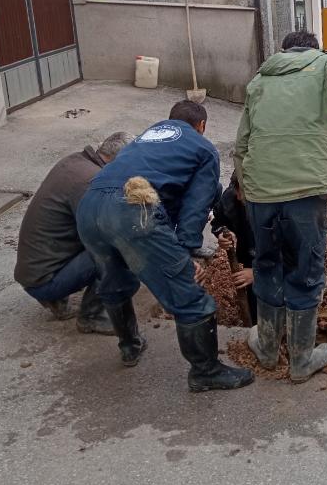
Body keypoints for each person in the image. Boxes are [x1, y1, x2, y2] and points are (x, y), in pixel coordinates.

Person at [76, 100, 253, 393]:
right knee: (190, 296)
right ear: (202, 127)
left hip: (90, 206)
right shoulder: (203, 148)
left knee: (114, 280)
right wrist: (184, 254)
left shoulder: (148, 136)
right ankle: (205, 372)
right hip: (132, 210)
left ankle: (130, 346)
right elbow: (196, 207)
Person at [235, 30, 327, 382]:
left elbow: (241, 144)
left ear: (283, 51)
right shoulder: (325, 63)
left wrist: (248, 189)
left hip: (261, 191)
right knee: (304, 270)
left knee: (267, 264)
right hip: (306, 190)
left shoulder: (260, 79)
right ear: (314, 48)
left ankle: (268, 348)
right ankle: (301, 360)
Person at [14, 131, 134, 335]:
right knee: (118, 249)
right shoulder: (91, 182)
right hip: (44, 279)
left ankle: (55, 297)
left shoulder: (74, 161)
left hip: (34, 270)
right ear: (118, 160)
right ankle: (90, 316)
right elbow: (107, 232)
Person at [210, 172, 257, 324]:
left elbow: (294, 257)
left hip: (280, 269)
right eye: (237, 190)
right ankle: (255, 326)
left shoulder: (282, 209)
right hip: (252, 255)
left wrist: (258, 273)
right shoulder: (232, 197)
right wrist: (222, 234)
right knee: (254, 297)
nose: (238, 196)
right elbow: (218, 222)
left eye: (243, 193)